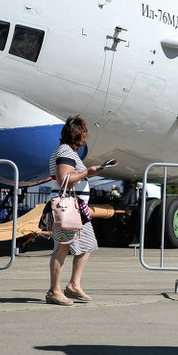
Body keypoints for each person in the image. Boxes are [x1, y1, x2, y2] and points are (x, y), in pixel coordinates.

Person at [46, 115, 102, 306]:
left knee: (87, 244)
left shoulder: (66, 151)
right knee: (62, 247)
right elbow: (64, 179)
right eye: (84, 133)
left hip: (76, 209)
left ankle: (73, 285)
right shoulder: (65, 152)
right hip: (68, 209)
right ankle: (55, 291)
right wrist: (88, 172)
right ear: (79, 135)